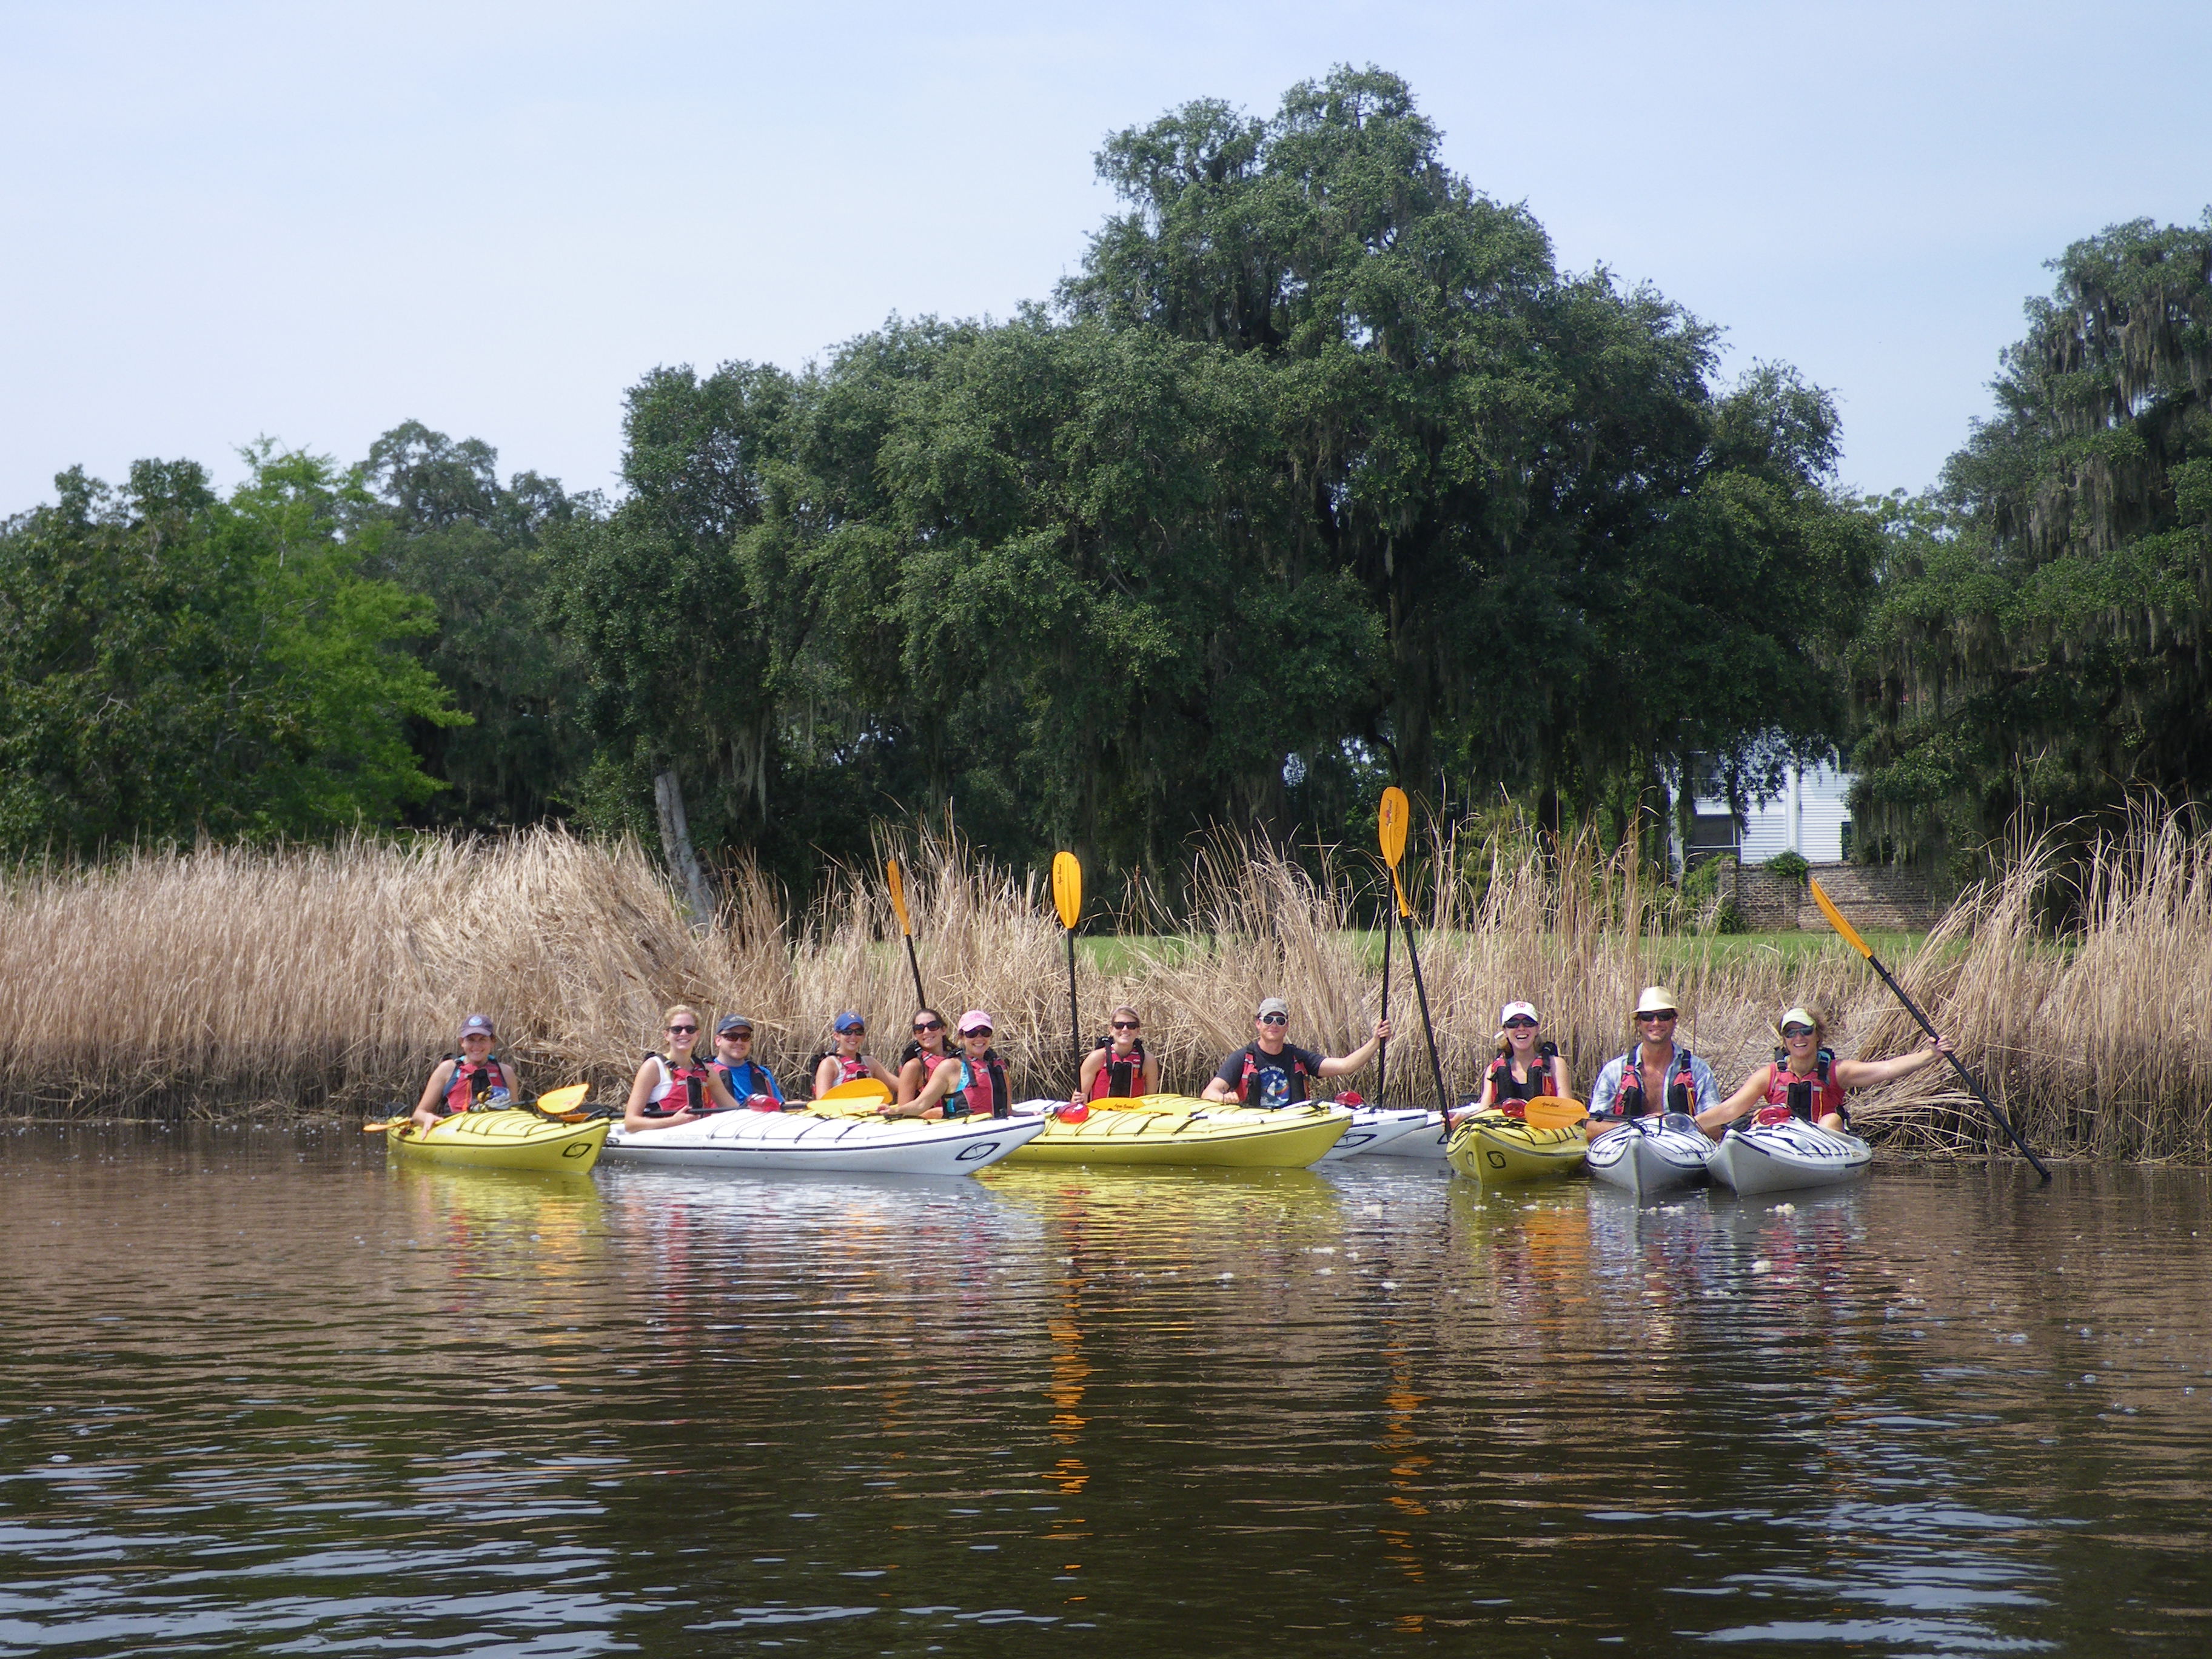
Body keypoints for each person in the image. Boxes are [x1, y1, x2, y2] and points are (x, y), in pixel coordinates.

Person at [1698, 1004, 1955, 1136]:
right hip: (1781, 1142)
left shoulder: (1837, 1071)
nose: (1799, 1038)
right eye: (1791, 1033)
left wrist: (1930, 1055)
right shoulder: (1769, 1075)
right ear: (1784, 1041)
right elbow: (1730, 1110)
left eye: (1805, 1031)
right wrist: (1689, 1124)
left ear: (1818, 1035)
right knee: (1761, 1117)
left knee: (1832, 1120)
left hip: (1823, 1146)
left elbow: (1887, 1068)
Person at [1200, 997, 1390, 1108]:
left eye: (1280, 1021)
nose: (1274, 1025)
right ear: (1258, 1023)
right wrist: (1224, 1098)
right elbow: (1208, 1093)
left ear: (1287, 1026)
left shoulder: (1299, 1057)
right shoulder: (1242, 1058)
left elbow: (1346, 1066)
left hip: (1292, 1123)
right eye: (1268, 1020)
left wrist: (1375, 1041)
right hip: (1255, 1124)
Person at [1586, 985, 1720, 1138]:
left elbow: (1714, 1129)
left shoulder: (1698, 1070)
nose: (1656, 1023)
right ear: (1638, 1022)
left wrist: (1670, 1124)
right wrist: (1641, 1126)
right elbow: (1592, 1129)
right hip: (1629, 1147)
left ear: (1674, 1020)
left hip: (1682, 1148)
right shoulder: (1614, 1071)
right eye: (1648, 1017)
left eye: (1664, 1016)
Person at [623, 1004, 742, 1133]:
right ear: (666, 1035)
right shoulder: (653, 1067)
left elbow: (736, 1112)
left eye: (690, 1030)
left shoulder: (706, 1071)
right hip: (663, 1139)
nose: (684, 1034)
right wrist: (673, 1121)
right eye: (677, 1030)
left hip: (697, 1139)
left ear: (697, 1034)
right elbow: (630, 1123)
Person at [883, 1010, 1009, 1120]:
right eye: (971, 1034)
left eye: (985, 1032)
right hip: (955, 1128)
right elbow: (920, 1105)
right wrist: (894, 1111)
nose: (979, 1038)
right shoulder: (948, 1066)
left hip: (995, 1125)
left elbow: (1009, 1110)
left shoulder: (998, 1066)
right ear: (961, 1036)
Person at [411, 1014, 521, 1129]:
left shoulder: (506, 1072)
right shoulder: (446, 1069)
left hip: (496, 1131)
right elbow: (418, 1114)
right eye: (471, 1040)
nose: (476, 1046)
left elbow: (516, 1113)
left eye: (483, 1039)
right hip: (456, 1132)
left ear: (493, 1042)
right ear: (462, 1042)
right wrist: (427, 1117)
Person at [1473, 1000, 1571, 1111]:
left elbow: (1568, 1111)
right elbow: (1483, 1111)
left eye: (1528, 1022)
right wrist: (1462, 1117)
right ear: (1505, 1031)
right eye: (1513, 1024)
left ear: (1537, 1029)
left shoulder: (1556, 1065)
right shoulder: (1493, 1070)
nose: (1521, 1028)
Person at [1074, 1005, 1160, 1104]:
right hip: (1099, 1112)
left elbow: (1151, 1100)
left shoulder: (1148, 1061)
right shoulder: (1096, 1058)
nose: (1125, 1029)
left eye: (1131, 1026)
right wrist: (1080, 1100)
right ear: (1111, 1030)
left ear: (1138, 1031)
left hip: (1134, 1112)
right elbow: (1075, 1101)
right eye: (1119, 1025)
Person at [812, 1010, 899, 1099]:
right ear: (837, 1036)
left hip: (867, 1108)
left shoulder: (870, 1063)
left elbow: (901, 1086)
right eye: (847, 1032)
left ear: (864, 1036)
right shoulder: (829, 1064)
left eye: (859, 1032)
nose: (853, 1037)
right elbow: (822, 1101)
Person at [708, 1014, 784, 1108]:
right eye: (732, 1036)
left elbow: (779, 1107)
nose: (739, 1042)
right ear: (718, 1040)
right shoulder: (706, 1073)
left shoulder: (763, 1074)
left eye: (745, 1037)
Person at [895, 1008, 956, 1105]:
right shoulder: (913, 1067)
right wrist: (936, 1112)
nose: (926, 1032)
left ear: (944, 1030)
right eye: (919, 1029)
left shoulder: (957, 1059)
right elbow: (902, 1111)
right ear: (915, 1035)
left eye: (933, 1026)